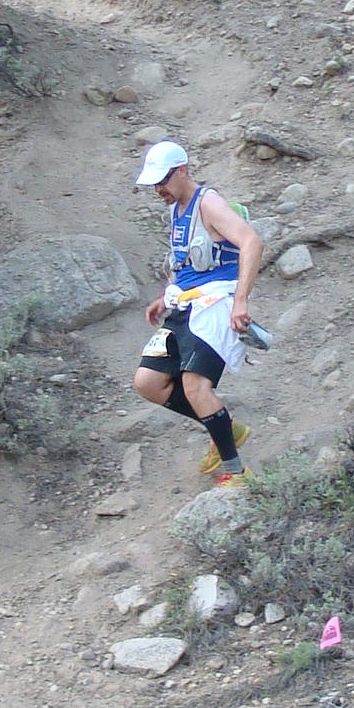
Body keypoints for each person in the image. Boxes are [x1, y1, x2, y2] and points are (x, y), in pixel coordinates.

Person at [132, 142, 263, 480]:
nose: (158, 189)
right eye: (154, 184)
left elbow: (251, 242)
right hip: (185, 305)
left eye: (163, 181)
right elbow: (187, 263)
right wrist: (165, 296)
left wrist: (241, 301)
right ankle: (226, 428)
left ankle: (235, 472)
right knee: (148, 382)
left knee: (194, 386)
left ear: (182, 171)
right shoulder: (177, 210)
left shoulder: (209, 203)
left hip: (215, 305)